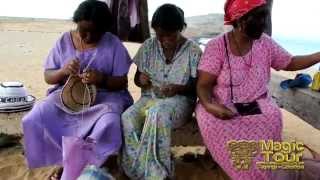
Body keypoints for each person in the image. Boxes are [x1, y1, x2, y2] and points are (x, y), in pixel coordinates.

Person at [195, 0, 320, 179]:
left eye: (265, 16)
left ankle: (265, 170)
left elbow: (290, 62)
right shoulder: (217, 47)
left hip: (257, 103)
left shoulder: (265, 43)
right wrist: (210, 106)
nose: (263, 22)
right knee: (219, 130)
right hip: (221, 105)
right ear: (239, 19)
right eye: (258, 17)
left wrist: (318, 55)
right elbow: (203, 85)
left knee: (271, 118)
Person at [22, 0, 133, 179]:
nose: (88, 37)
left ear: (104, 30)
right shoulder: (64, 41)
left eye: (95, 33)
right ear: (77, 24)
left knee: (109, 123)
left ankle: (92, 165)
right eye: (83, 31)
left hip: (105, 98)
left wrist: (102, 79)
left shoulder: (113, 44)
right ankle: (61, 163)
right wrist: (63, 70)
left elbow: (122, 82)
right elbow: (48, 76)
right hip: (66, 97)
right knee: (37, 115)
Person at [120, 4, 202, 180]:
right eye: (159, 35)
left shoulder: (193, 51)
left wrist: (177, 88)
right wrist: (140, 80)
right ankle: (138, 168)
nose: (164, 39)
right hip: (149, 99)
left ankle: (159, 172)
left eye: (169, 35)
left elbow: (198, 86)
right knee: (127, 117)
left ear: (180, 29)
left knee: (157, 113)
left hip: (179, 103)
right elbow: (136, 79)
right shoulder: (149, 46)